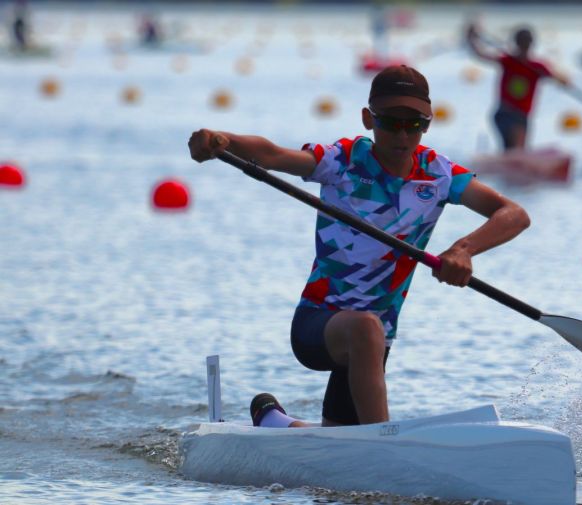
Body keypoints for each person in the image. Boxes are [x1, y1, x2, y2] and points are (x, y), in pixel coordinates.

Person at [188, 65, 531, 428]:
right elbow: (273, 155)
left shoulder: (439, 175)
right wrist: (221, 141)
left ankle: (272, 420)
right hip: (319, 324)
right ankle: (383, 447)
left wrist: (463, 249)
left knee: (338, 438)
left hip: (376, 339)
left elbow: (515, 214)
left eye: (413, 124)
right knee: (368, 332)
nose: (402, 134)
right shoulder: (342, 161)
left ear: (427, 125)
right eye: (390, 122)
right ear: (369, 119)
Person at [465, 23, 569, 152]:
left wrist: (562, 80)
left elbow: (561, 79)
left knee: (513, 150)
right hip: (505, 113)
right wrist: (471, 39)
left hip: (520, 115)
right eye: (522, 42)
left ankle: (508, 160)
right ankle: (511, 159)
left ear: (530, 44)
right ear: (517, 43)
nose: (524, 45)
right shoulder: (508, 61)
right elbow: (480, 54)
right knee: (516, 149)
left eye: (526, 42)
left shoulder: (537, 67)